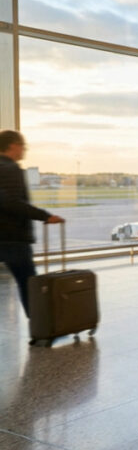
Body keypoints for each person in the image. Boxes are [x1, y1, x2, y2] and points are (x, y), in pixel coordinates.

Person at [0, 131, 64, 316]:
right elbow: (12, 202)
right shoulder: (11, 170)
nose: (24, 150)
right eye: (23, 145)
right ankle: (41, 327)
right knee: (29, 285)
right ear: (13, 145)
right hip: (13, 238)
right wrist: (45, 216)